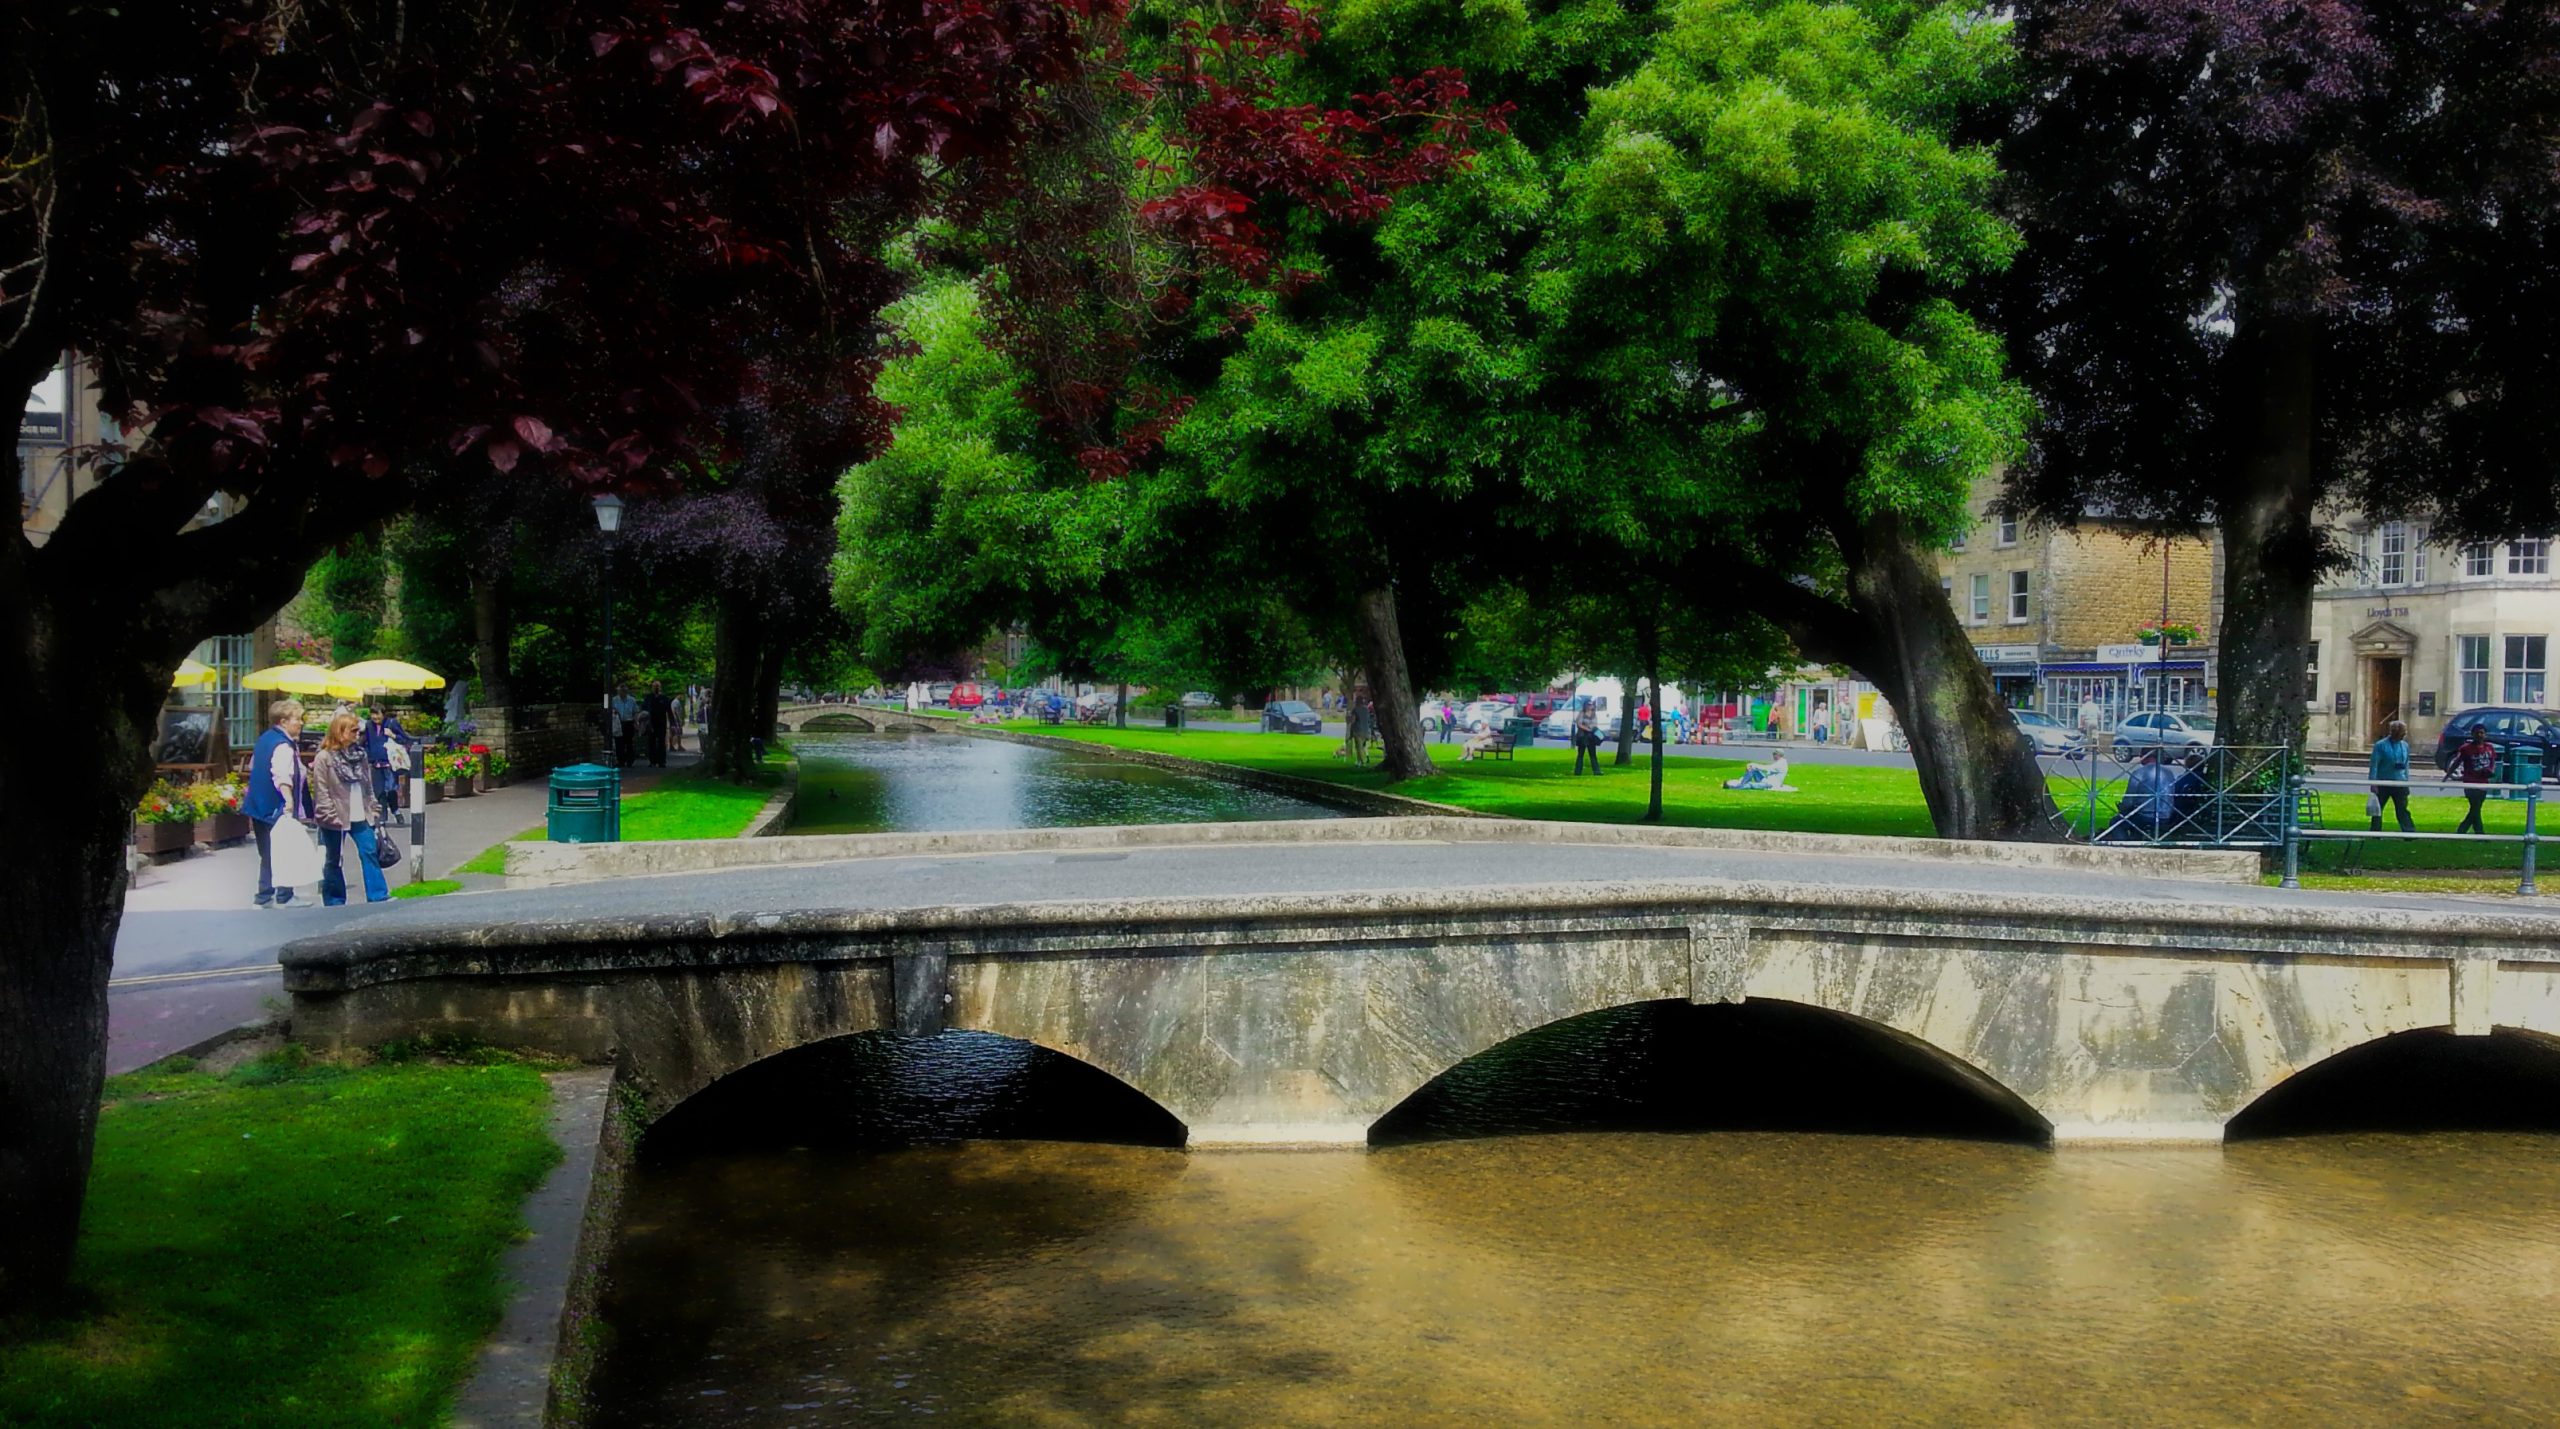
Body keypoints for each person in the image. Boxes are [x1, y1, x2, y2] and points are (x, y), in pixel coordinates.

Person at [306, 713, 391, 905]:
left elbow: (367, 784)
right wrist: (329, 814)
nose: (357, 734)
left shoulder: (360, 755)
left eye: (357, 730)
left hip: (360, 814)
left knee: (369, 850)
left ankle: (378, 895)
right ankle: (335, 900)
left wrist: (373, 806)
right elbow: (321, 789)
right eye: (352, 730)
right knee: (334, 859)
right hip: (335, 815)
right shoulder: (324, 757)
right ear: (339, 731)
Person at [245, 699, 311, 907]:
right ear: (284, 721)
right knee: (283, 850)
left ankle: (264, 897)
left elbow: (254, 765)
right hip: (276, 806)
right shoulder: (283, 745)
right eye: (297, 719)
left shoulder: (265, 739)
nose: (301, 723)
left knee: (268, 852)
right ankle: (284, 896)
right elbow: (281, 774)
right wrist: (289, 800)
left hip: (259, 805)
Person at [2450, 724, 2499, 835]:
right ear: (2472, 734)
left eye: (2482, 732)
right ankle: (2477, 832)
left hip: (2484, 782)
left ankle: (2465, 830)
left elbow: (2492, 762)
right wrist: (2447, 776)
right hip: (2470, 781)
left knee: (2476, 807)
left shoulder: (2489, 748)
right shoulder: (2465, 749)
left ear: (2485, 734)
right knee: (2475, 806)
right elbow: (2457, 762)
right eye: (2477, 733)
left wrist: (2491, 772)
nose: (2479, 735)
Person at [2369, 718, 2416, 833]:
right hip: (2383, 782)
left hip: (2400, 782)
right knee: (2378, 809)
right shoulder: (2380, 746)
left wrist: (2407, 782)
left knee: (2402, 809)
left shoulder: (2405, 745)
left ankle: (2409, 832)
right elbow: (2374, 764)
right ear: (2395, 732)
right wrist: (2373, 783)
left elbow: (2406, 765)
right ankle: (2375, 832)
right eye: (2402, 733)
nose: (2404, 735)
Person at [1725, 748, 1791, 791]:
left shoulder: (1781, 764)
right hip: (1767, 781)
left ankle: (1736, 787)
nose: (1773, 755)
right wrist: (1753, 766)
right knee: (1753, 769)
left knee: (1751, 784)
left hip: (1771, 784)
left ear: (1778, 755)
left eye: (1774, 754)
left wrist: (1753, 764)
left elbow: (1766, 768)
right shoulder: (1780, 762)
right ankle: (1742, 783)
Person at [644, 680, 673, 767]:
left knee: (661, 742)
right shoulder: (649, 698)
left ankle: (662, 761)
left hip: (661, 722)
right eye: (654, 686)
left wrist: (672, 723)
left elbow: (669, 711)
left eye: (658, 686)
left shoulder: (664, 698)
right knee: (651, 742)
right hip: (651, 722)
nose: (656, 688)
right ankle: (652, 761)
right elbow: (644, 709)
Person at [610, 684, 639, 768]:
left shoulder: (632, 700)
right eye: (620, 691)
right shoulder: (614, 700)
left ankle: (630, 760)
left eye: (624, 691)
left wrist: (636, 722)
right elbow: (609, 710)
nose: (622, 693)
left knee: (629, 742)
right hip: (618, 722)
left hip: (628, 722)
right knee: (619, 742)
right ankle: (621, 760)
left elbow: (635, 711)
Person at [1573, 702, 1604, 775]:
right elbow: (1579, 724)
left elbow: (1595, 724)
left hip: (1591, 736)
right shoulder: (1582, 713)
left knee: (1593, 754)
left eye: (1591, 705)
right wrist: (1587, 728)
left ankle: (1597, 771)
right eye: (1588, 704)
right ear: (1585, 705)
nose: (1590, 706)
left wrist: (1592, 729)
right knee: (1581, 754)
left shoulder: (1594, 714)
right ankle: (1578, 771)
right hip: (1583, 736)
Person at [1348, 689, 1376, 766]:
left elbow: (1353, 720)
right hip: (1366, 731)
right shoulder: (1366, 709)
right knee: (1362, 747)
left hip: (1358, 731)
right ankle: (1359, 762)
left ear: (1356, 701)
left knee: (1359, 748)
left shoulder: (1355, 709)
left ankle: (1362, 762)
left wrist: (1349, 719)